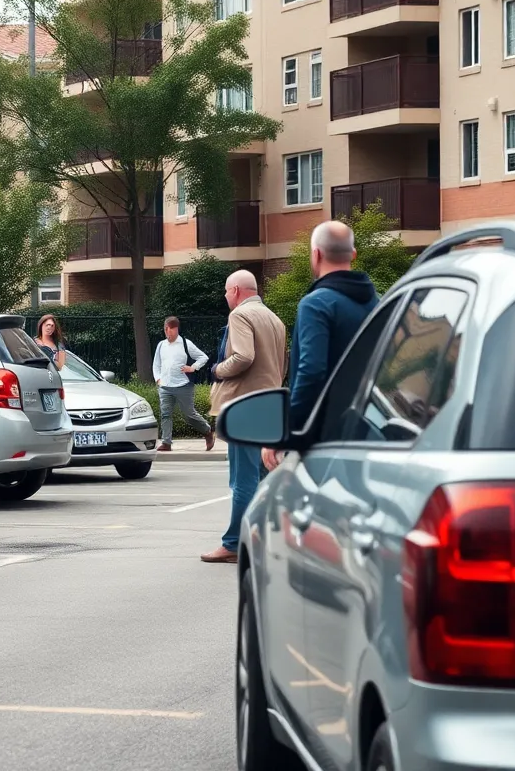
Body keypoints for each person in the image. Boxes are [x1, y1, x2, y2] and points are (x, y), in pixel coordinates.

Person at [263, 221, 379, 472]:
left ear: (316, 254)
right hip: (368, 432)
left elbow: (311, 372)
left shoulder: (316, 304)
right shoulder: (378, 304)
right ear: (353, 254)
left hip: (324, 443)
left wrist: (286, 432)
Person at [202, 269, 287, 564]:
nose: (226, 296)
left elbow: (243, 356)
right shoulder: (274, 319)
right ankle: (264, 540)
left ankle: (234, 544)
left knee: (243, 479)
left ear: (236, 291)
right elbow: (281, 365)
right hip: (269, 404)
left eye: (227, 291)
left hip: (245, 406)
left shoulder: (239, 315)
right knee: (264, 478)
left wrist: (218, 369)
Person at [152, 316, 214, 452]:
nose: (168, 333)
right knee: (165, 414)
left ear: (176, 329)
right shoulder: (161, 345)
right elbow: (156, 364)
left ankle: (207, 431)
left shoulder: (186, 343)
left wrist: (193, 368)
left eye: (171, 330)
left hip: (183, 385)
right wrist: (158, 379)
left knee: (189, 414)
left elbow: (203, 357)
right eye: (166, 330)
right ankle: (166, 442)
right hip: (165, 386)